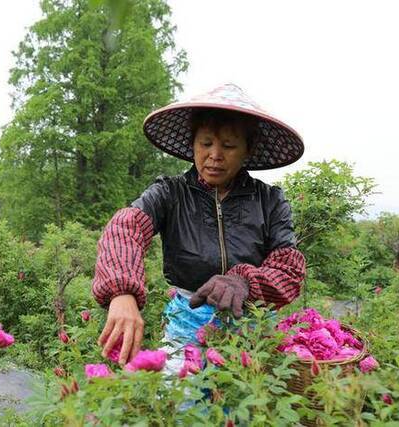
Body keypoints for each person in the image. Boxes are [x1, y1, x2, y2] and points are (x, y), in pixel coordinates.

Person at [92, 84, 307, 372]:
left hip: (253, 329)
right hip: (187, 323)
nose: (215, 155)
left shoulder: (269, 201)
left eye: (229, 146)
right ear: (193, 144)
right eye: (206, 143)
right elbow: (125, 227)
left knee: (246, 408)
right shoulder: (170, 193)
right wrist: (122, 292)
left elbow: (288, 269)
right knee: (182, 406)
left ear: (247, 150)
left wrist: (242, 281)